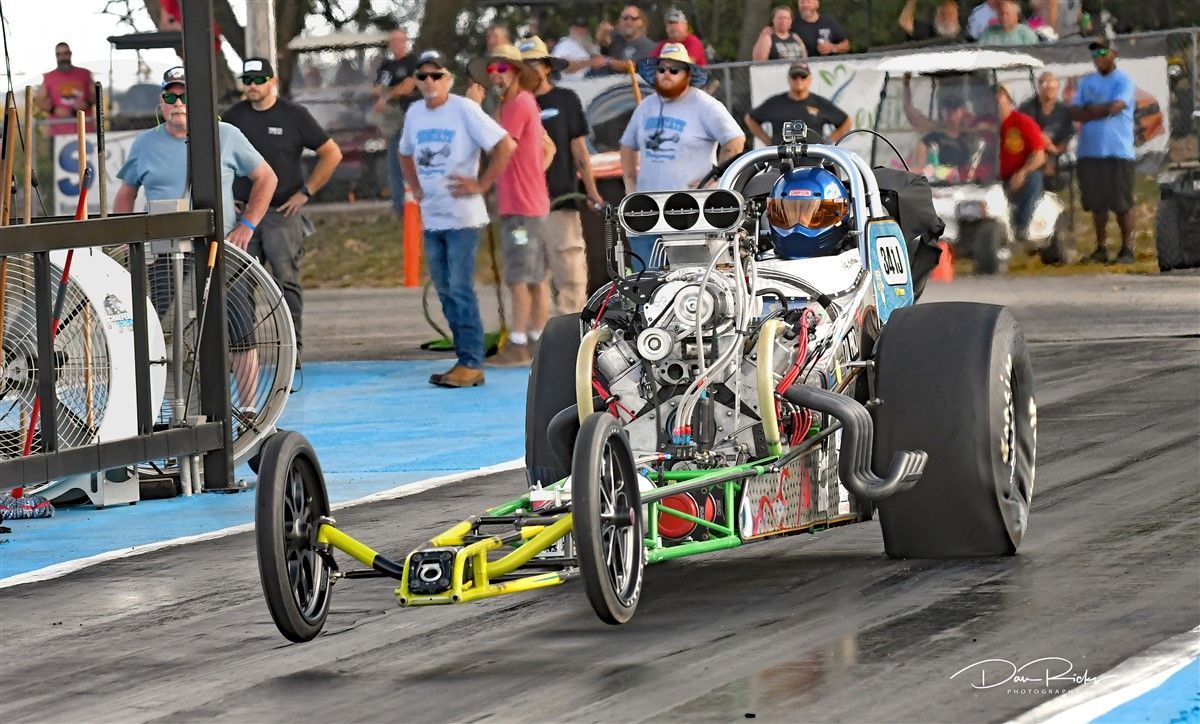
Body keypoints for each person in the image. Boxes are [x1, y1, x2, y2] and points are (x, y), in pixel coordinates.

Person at [113, 66, 278, 415]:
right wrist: (127, 235)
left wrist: (247, 225)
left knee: (240, 331)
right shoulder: (144, 143)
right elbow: (126, 194)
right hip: (164, 253)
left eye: (185, 96)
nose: (178, 103)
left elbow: (266, 177)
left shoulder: (226, 135)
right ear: (161, 103)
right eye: (170, 96)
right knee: (167, 336)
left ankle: (248, 409)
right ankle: (180, 411)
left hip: (222, 250)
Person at [398, 50, 515, 388]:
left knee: (460, 288)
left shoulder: (465, 109)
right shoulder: (415, 113)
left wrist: (482, 184)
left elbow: (505, 145)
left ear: (449, 79)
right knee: (446, 291)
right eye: (422, 76)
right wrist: (415, 187)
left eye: (436, 75)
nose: (429, 81)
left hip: (463, 218)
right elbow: (404, 153)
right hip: (432, 217)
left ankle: (471, 362)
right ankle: (464, 358)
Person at [224, 57, 343, 359]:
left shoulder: (294, 115)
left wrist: (306, 192)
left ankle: (292, 351)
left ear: (272, 82)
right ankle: (243, 353)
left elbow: (331, 153)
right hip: (243, 214)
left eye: (258, 80)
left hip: (281, 213)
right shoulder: (233, 117)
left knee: (286, 280)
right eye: (247, 80)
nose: (252, 86)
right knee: (238, 283)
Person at [467, 44, 556, 368]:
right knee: (534, 278)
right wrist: (531, 175)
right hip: (529, 204)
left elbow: (502, 147)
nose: (496, 75)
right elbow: (548, 147)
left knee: (520, 277)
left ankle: (519, 343)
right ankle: (537, 341)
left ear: (517, 71)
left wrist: (473, 111)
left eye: (502, 68)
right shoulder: (519, 104)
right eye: (492, 69)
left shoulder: (518, 104)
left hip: (521, 209)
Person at [619, 43, 745, 268]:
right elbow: (627, 145)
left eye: (674, 70)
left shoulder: (705, 104)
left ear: (688, 74)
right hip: (647, 208)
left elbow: (735, 141)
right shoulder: (646, 106)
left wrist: (715, 181)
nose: (666, 74)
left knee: (690, 275)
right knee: (646, 277)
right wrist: (630, 183)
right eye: (661, 69)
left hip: (690, 209)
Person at [520, 37, 604, 315]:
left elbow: (579, 150)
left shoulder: (565, 99)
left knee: (569, 267)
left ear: (546, 67)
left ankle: (570, 326)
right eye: (523, 65)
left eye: (534, 63)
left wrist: (591, 190)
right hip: (524, 204)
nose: (529, 70)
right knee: (530, 271)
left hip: (560, 197)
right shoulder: (514, 105)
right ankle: (538, 331)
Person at [1070, 38, 1137, 265]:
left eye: (1102, 52)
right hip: (1089, 152)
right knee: (1097, 204)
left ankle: (1127, 249)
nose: (1097, 57)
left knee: (1121, 203)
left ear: (1113, 53)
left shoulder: (1123, 80)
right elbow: (1074, 111)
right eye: (1094, 54)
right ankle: (1101, 248)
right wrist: (1102, 109)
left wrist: (1090, 110)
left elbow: (1117, 106)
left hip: (1118, 151)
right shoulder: (1086, 82)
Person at [745, 60, 850, 147]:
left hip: (813, 159)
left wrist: (827, 142)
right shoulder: (775, 103)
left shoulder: (819, 103)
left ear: (809, 79)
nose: (799, 80)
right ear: (788, 78)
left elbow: (846, 121)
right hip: (781, 159)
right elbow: (750, 119)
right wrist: (769, 143)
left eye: (803, 76)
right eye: (794, 76)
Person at [372, 29, 419, 217]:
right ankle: (399, 207)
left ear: (405, 41)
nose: (396, 45)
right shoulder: (386, 65)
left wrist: (389, 95)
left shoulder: (412, 62)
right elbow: (377, 89)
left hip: (411, 118)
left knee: (415, 161)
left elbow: (409, 85)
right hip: (392, 122)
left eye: (399, 41)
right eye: (393, 42)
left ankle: (419, 203)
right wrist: (390, 92)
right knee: (394, 163)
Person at [996, 85, 1045, 242]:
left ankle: (1021, 227)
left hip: (1019, 174)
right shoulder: (983, 124)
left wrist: (1022, 172)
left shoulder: (1023, 122)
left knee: (1034, 178)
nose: (997, 106)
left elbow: (1039, 155)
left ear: (1009, 101)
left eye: (1000, 101)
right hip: (992, 177)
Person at [1019, 71, 1074, 190]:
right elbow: (1024, 131)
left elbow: (1065, 139)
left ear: (1058, 88)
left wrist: (1056, 151)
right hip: (1029, 154)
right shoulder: (1027, 108)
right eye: (1046, 87)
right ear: (1039, 87)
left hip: (1055, 157)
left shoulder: (1063, 111)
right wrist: (1044, 143)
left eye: (1053, 88)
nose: (1049, 91)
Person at [37, 43, 95, 136]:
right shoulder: (49, 77)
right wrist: (54, 110)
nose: (62, 57)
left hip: (85, 131)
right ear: (56, 56)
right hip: (58, 133)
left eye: (65, 53)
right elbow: (39, 100)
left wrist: (86, 103)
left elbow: (96, 95)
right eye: (59, 54)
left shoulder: (85, 74)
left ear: (70, 54)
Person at [591, 4, 657, 76]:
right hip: (601, 79)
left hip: (628, 82)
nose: (628, 22)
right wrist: (603, 32)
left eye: (633, 18)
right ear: (620, 21)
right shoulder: (616, 37)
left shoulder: (647, 46)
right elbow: (603, 42)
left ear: (640, 22)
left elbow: (633, 66)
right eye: (625, 18)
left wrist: (607, 61)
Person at [898, 0, 962, 42]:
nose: (946, 17)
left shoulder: (964, 35)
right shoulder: (928, 32)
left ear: (957, 16)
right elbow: (904, 22)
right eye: (943, 13)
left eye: (950, 14)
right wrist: (912, 2)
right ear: (936, 17)